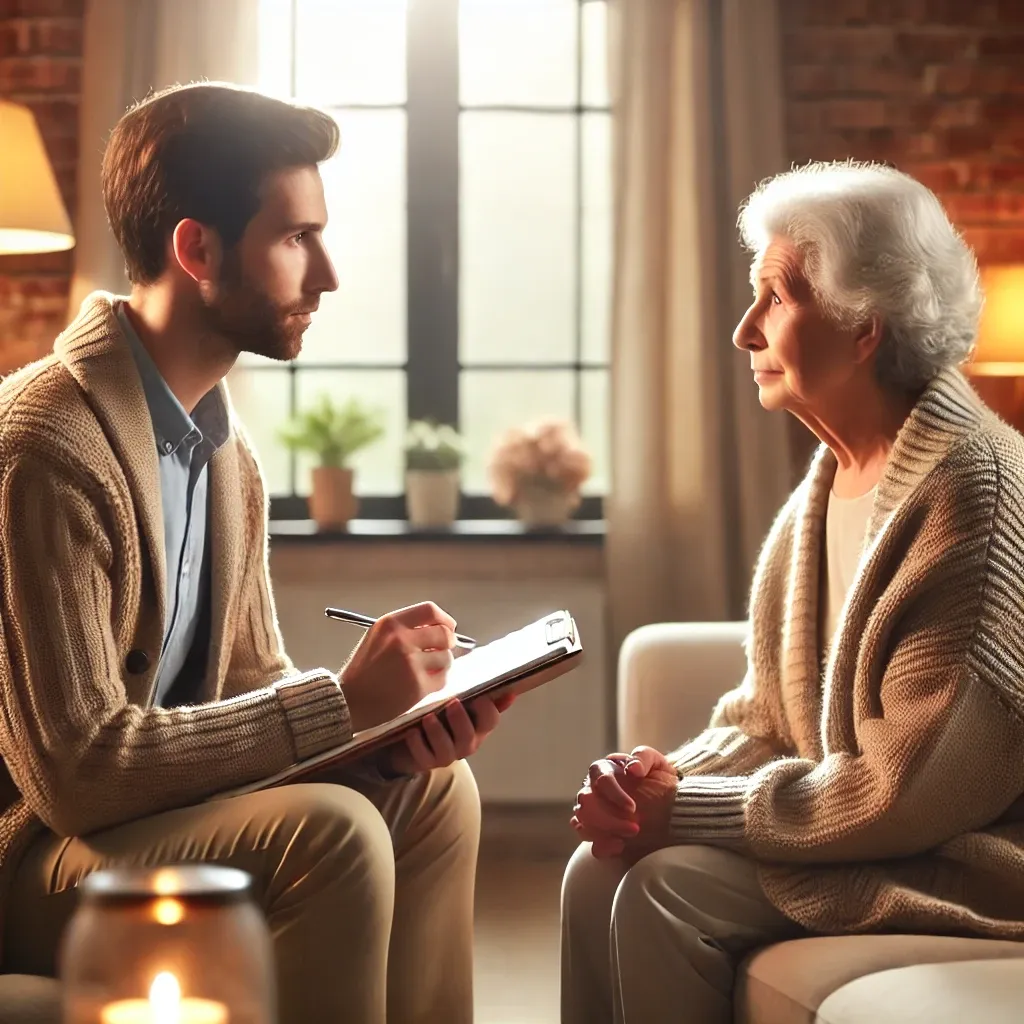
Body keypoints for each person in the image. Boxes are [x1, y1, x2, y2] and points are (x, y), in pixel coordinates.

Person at [0, 82, 511, 1024]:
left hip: (143, 825)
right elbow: (76, 775)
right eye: (295, 238)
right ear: (197, 248)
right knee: (333, 833)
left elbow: (251, 687)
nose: (326, 275)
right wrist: (342, 704)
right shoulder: (45, 443)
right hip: (31, 860)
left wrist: (387, 739)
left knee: (435, 793)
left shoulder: (225, 457)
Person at [561, 160, 1024, 1024]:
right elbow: (768, 718)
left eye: (774, 297)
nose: (744, 331)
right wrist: (654, 782)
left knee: (665, 887)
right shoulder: (831, 477)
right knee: (599, 870)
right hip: (874, 827)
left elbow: (910, 787)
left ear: (863, 329)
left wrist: (686, 813)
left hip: (962, 856)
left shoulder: (976, 496)